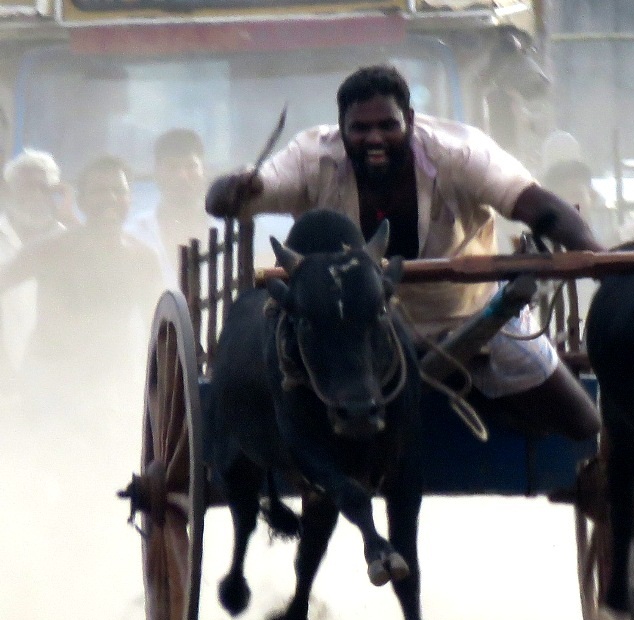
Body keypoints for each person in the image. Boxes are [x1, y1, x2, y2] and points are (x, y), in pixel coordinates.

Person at [206, 64, 602, 440]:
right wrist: (229, 191)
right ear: (341, 131)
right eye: (360, 129)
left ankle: (491, 406)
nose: (374, 138)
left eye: (387, 125)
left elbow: (541, 207)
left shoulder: (460, 153)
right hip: (351, 335)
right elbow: (246, 194)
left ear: (410, 121)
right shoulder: (311, 158)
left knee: (583, 422)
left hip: (475, 318)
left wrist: (600, 259)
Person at [0, 154, 164, 390]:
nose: (109, 198)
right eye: (99, 191)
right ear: (82, 200)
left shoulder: (142, 258)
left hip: (114, 386)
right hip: (49, 385)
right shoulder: (51, 249)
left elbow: (159, 328)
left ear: (130, 199)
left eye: (118, 191)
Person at [0, 149, 73, 382]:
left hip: (55, 376)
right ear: (9, 192)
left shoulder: (69, 241)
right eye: (25, 188)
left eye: (42, 188)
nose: (34, 196)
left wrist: (70, 219)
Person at [127, 128, 213, 285]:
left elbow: (262, 280)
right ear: (157, 173)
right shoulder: (134, 234)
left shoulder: (231, 227)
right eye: (173, 167)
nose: (182, 176)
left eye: (191, 166)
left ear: (204, 171)